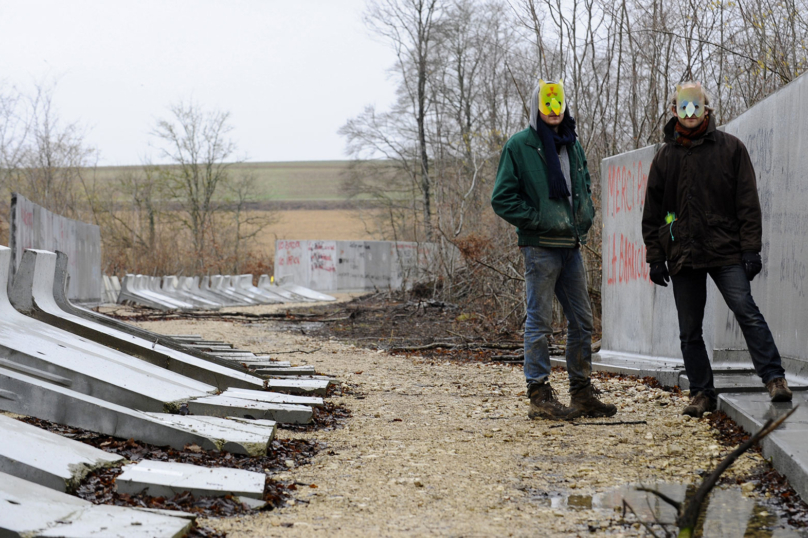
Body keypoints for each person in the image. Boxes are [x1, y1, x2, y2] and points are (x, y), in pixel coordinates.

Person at [642, 82, 791, 418]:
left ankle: (775, 379)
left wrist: (751, 249)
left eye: (697, 107)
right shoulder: (665, 158)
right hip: (683, 253)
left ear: (707, 109)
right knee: (689, 329)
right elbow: (654, 212)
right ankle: (701, 393)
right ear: (674, 111)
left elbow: (748, 204)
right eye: (684, 107)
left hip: (726, 250)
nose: (691, 114)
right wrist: (656, 255)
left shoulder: (731, 149)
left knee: (745, 309)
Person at [491, 79, 616, 420]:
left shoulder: (571, 143)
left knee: (582, 321)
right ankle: (539, 394)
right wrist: (536, 219)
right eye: (547, 104)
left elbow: (584, 184)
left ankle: (581, 392)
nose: (553, 110)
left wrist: (585, 215)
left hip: (571, 245)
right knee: (540, 321)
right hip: (540, 247)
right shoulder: (519, 145)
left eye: (557, 103)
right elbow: (501, 198)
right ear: (536, 106)